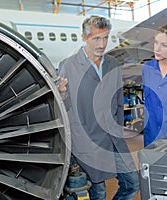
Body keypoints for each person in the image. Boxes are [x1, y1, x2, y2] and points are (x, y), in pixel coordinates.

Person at [58, 15, 139, 199]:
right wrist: (61, 95)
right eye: (96, 38)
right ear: (85, 37)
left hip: (113, 140)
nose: (102, 44)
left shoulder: (113, 64)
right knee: (99, 192)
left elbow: (119, 101)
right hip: (87, 142)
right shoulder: (68, 66)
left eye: (105, 38)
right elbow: (62, 108)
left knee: (132, 183)